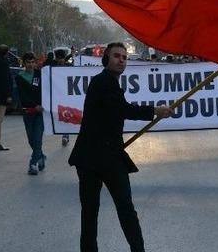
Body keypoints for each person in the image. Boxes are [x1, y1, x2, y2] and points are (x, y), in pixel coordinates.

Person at [68, 42, 172, 252]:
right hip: (95, 159)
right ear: (106, 58)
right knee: (102, 212)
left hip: (104, 156)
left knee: (116, 211)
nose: (121, 60)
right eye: (116, 56)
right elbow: (121, 109)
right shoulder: (103, 82)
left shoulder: (110, 83)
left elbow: (115, 112)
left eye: (124, 57)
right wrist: (154, 111)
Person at [16, 52, 45, 175]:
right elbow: (23, 96)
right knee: (31, 140)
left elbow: (47, 90)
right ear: (24, 63)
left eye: (33, 62)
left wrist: (42, 105)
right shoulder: (20, 77)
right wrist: (34, 106)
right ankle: (41, 156)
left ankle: (33, 164)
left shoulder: (40, 74)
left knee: (37, 139)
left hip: (40, 113)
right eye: (28, 62)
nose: (31, 65)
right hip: (28, 112)